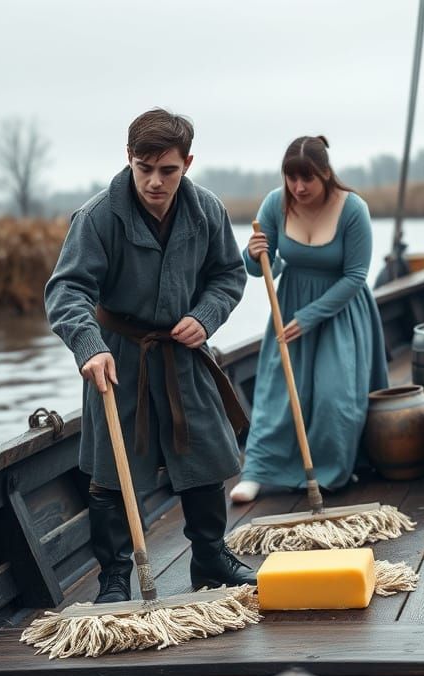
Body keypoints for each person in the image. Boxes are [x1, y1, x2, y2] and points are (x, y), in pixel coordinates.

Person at [45, 108, 257, 603]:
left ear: (187, 162)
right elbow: (67, 290)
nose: (155, 182)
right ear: (129, 159)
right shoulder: (97, 217)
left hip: (185, 350)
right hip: (116, 356)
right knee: (112, 469)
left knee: (207, 452)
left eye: (168, 170)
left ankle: (210, 559)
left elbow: (228, 274)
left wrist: (205, 315)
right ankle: (115, 578)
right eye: (145, 169)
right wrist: (89, 347)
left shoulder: (207, 210)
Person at [229, 136, 389, 503]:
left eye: (307, 179)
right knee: (278, 393)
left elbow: (356, 275)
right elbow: (264, 268)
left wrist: (311, 316)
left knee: (336, 396)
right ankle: (258, 471)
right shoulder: (275, 203)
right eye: (291, 178)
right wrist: (252, 255)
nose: (298, 187)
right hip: (290, 307)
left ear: (326, 174)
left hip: (340, 311)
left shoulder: (353, 210)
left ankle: (330, 471)